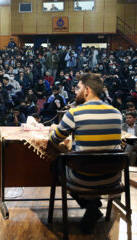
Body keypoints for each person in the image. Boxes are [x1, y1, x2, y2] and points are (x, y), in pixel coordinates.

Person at [49, 73, 122, 233]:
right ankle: (93, 204)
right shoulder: (117, 113)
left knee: (56, 164)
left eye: (78, 88)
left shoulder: (75, 113)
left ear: (87, 90)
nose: (75, 92)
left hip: (83, 179)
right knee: (94, 161)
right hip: (112, 178)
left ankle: (91, 205)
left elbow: (55, 139)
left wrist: (53, 129)